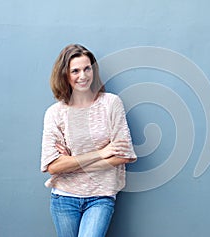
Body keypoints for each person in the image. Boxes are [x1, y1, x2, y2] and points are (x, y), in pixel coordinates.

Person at [41, 44, 137, 237]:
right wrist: (101, 153)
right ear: (64, 75)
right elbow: (52, 166)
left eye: (87, 69)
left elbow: (124, 154)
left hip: (101, 196)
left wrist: (70, 163)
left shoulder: (111, 103)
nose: (83, 76)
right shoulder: (55, 113)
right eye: (75, 71)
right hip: (64, 198)